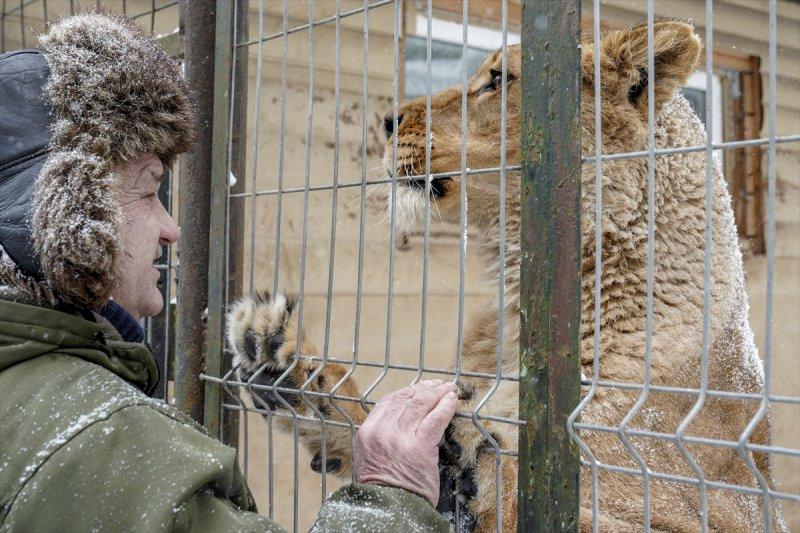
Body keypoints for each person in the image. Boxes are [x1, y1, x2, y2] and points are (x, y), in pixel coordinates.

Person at [0, 13, 456, 532]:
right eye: (150, 191)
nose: (172, 228)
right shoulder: (99, 443)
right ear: (68, 214)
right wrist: (392, 494)